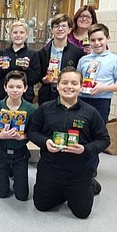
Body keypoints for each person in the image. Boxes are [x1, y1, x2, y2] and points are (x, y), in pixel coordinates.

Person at [27, 66, 110, 219]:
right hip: (50, 168)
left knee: (82, 213)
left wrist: (85, 149)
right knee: (41, 206)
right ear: (57, 86)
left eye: (74, 83)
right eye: (64, 83)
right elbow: (31, 132)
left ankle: (89, 184)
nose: (69, 87)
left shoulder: (90, 112)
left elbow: (104, 140)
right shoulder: (45, 109)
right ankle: (65, 191)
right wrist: (45, 142)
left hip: (79, 170)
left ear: (81, 86)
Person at [77, 23, 117, 194]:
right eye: (93, 40)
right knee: (79, 133)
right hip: (82, 100)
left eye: (100, 39)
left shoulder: (113, 60)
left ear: (108, 38)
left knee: (95, 136)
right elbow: (77, 78)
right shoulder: (84, 60)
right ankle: (77, 166)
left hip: (101, 102)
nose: (96, 43)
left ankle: (91, 170)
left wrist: (103, 88)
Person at [0, 71, 36, 201]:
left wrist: (22, 137)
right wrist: (0, 135)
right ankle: (7, 175)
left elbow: (33, 132)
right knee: (1, 193)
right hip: (1, 152)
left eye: (19, 87)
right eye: (11, 87)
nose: (15, 90)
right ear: (5, 87)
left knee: (22, 196)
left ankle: (15, 174)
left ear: (25, 88)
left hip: (20, 153)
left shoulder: (31, 109)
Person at [38, 13, 84, 106]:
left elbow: (80, 76)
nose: (60, 29)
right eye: (56, 26)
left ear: (69, 30)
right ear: (51, 30)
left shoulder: (77, 52)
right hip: (47, 94)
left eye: (64, 26)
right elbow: (38, 75)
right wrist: (44, 79)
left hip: (68, 95)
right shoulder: (42, 52)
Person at [0, 21, 41, 103]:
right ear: (10, 35)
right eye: (15, 32)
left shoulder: (33, 54)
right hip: (3, 97)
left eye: (22, 32)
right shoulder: (2, 53)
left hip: (25, 98)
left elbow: (36, 79)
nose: (18, 35)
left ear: (26, 35)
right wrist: (2, 69)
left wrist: (27, 69)